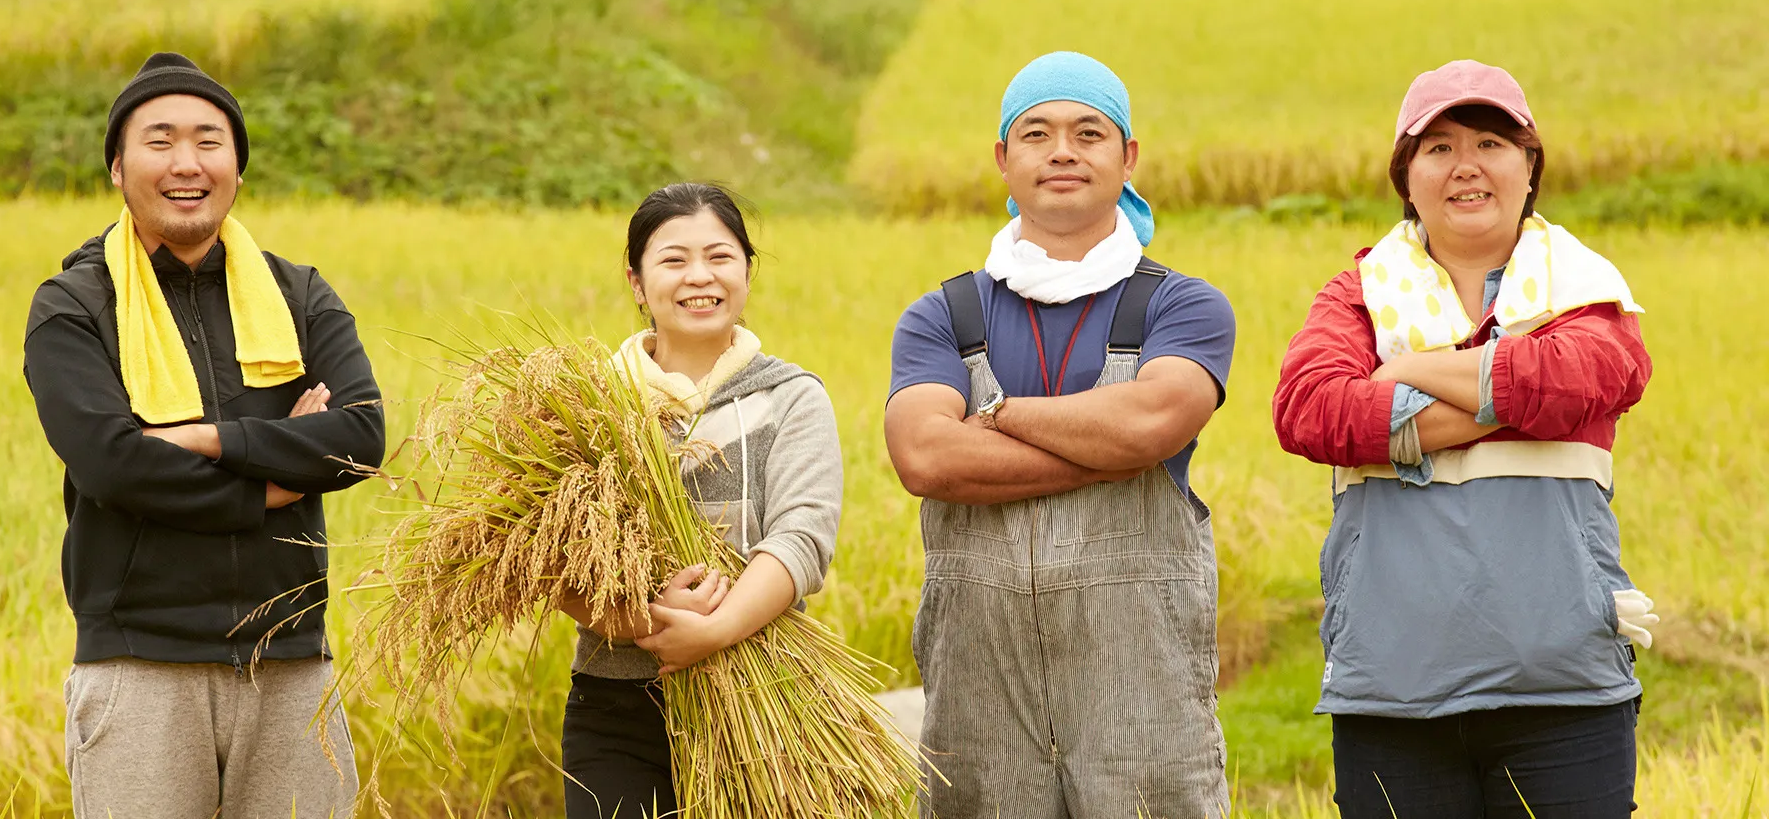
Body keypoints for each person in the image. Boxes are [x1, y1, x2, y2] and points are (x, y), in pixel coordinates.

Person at [1272, 59, 1657, 818]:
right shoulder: (1357, 295)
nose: (1467, 167)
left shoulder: (1586, 291)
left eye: (1491, 142)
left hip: (1563, 690)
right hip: (1393, 690)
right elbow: (1309, 409)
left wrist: (1409, 369)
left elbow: (1592, 376)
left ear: (1529, 165)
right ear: (1406, 176)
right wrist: (1514, 397)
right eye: (1438, 147)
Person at [23, 52, 386, 818]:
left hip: (291, 667)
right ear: (119, 169)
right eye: (159, 141)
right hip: (140, 668)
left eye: (208, 141)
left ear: (238, 169)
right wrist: (277, 478)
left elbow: (358, 435)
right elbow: (115, 466)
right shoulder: (75, 306)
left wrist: (209, 439)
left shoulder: (298, 294)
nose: (186, 163)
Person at [883, 51, 1238, 818]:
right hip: (980, 705)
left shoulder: (1183, 307)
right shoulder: (944, 314)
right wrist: (1105, 446)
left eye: (1090, 131)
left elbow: (1150, 421)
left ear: (1128, 157)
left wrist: (1002, 415)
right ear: (1004, 160)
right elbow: (925, 454)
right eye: (1037, 134)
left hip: (1142, 707)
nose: (1064, 151)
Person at [554, 182, 844, 819]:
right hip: (616, 709)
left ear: (746, 270)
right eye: (673, 259)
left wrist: (713, 629)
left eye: (719, 256)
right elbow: (550, 559)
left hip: (767, 703)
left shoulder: (792, 397)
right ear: (636, 281)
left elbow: (802, 539)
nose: (699, 277)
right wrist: (640, 625)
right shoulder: (588, 408)